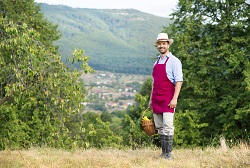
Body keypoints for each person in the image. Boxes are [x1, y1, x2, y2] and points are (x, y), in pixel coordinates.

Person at [149, 33, 183, 159]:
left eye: (164, 43)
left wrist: (175, 98)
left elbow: (179, 81)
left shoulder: (174, 61)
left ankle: (169, 154)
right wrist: (150, 100)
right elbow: (154, 82)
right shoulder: (156, 62)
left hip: (168, 99)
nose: (161, 46)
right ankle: (163, 153)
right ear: (157, 46)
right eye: (159, 43)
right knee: (160, 127)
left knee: (168, 126)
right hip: (156, 99)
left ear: (168, 44)